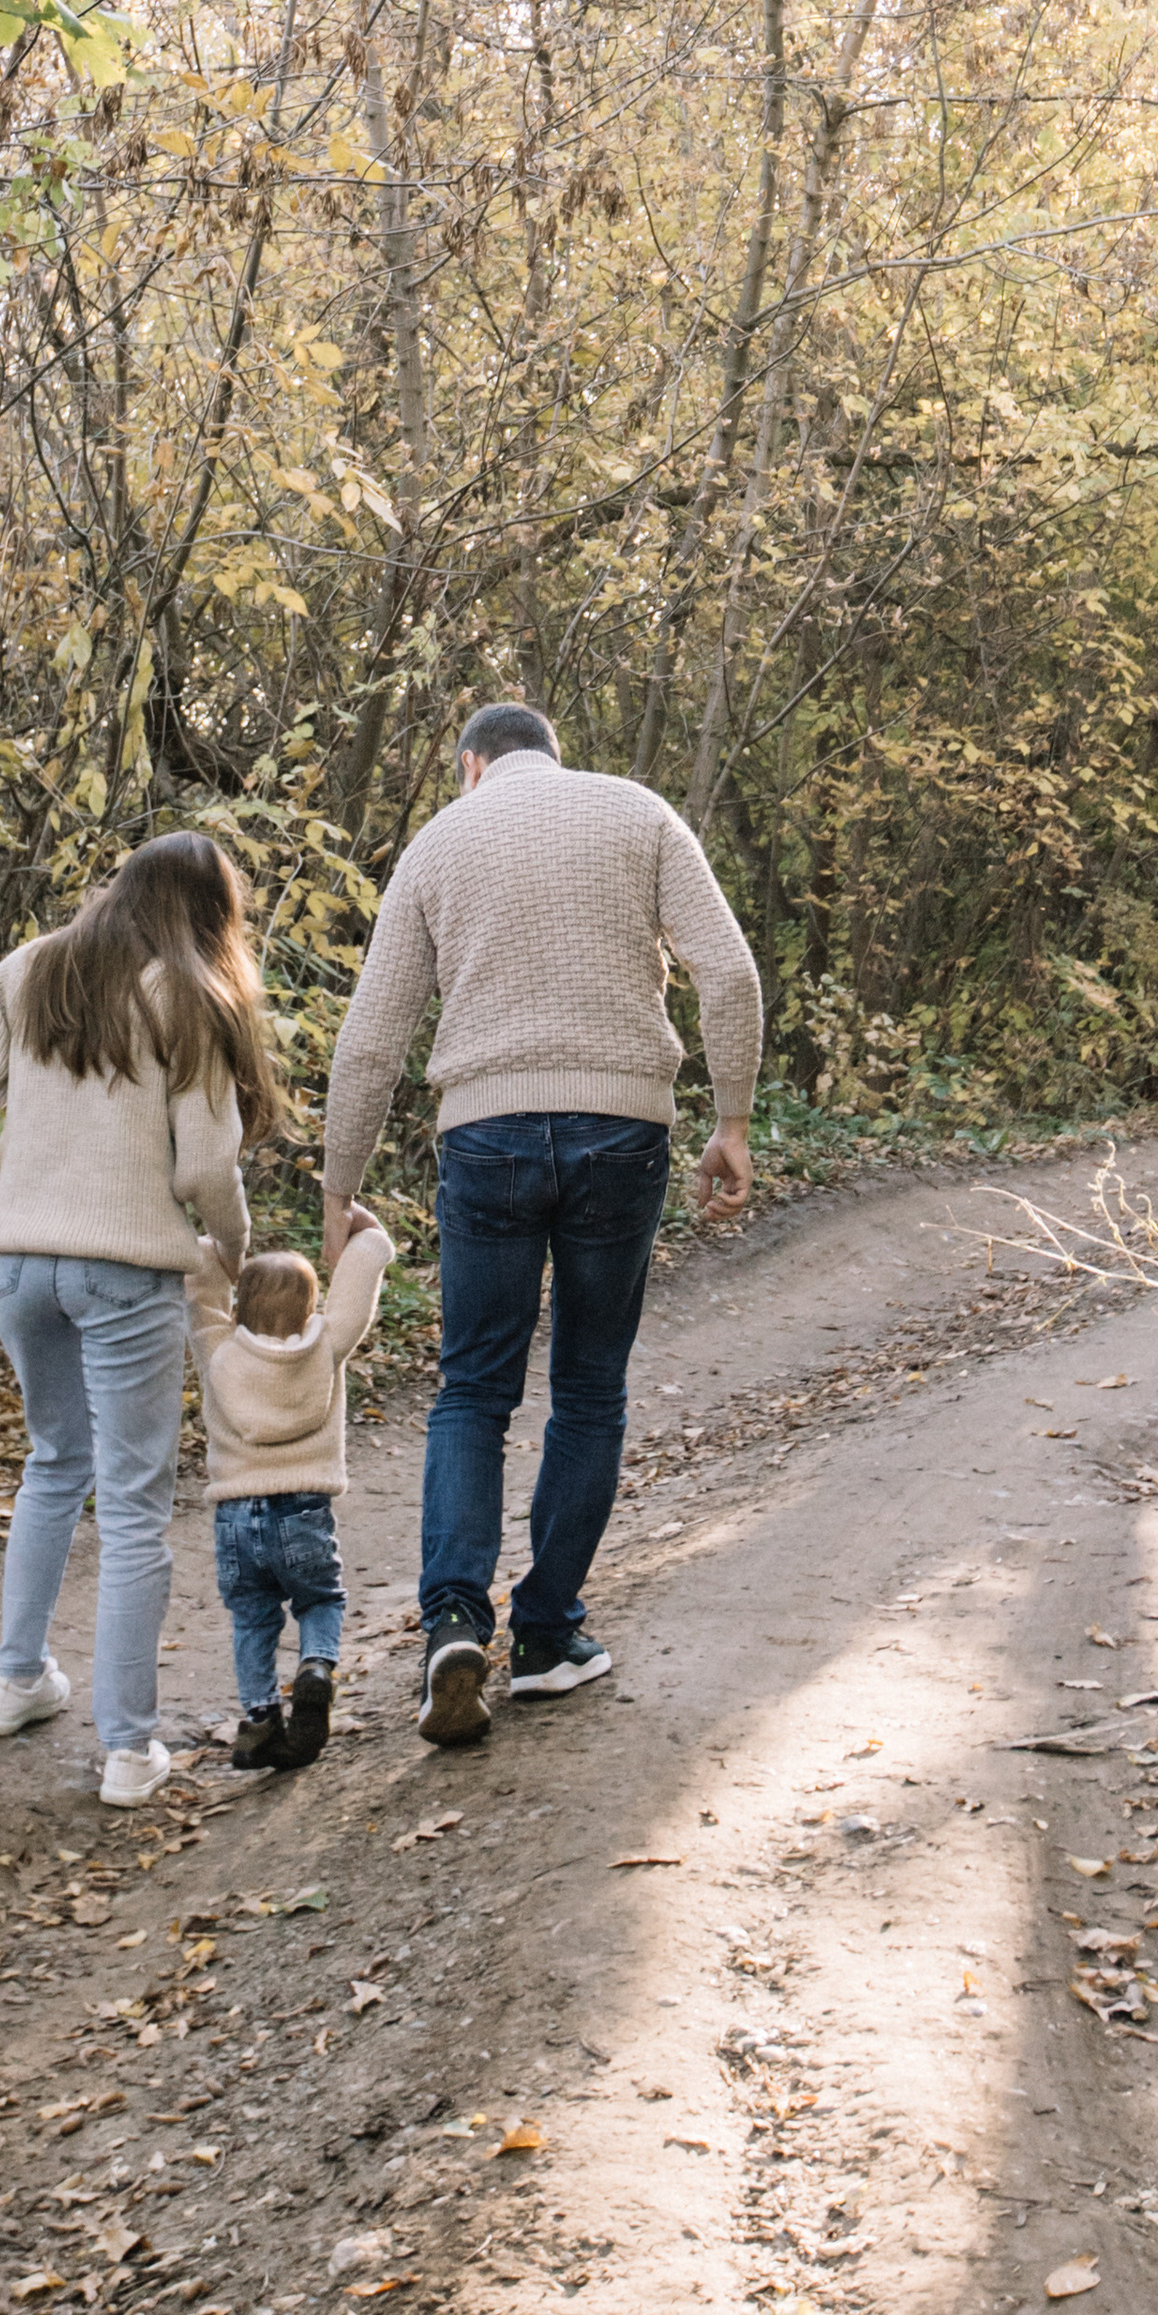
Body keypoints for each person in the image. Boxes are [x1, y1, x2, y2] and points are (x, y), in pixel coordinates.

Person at [324, 700, 761, 1749]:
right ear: (553, 758)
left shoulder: (439, 840)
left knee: (472, 1387)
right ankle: (550, 1635)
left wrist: (339, 1192)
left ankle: (454, 1622)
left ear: (473, 765)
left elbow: (372, 1039)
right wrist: (733, 1122)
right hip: (623, 1129)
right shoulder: (637, 813)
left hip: (486, 1138)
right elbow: (730, 971)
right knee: (588, 1383)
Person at [0, 830, 281, 1809]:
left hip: (17, 1266)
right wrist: (230, 1250)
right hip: (125, 1271)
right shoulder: (189, 992)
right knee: (129, 1505)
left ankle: (14, 1682)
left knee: (52, 1463)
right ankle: (128, 1751)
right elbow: (208, 1166)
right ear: (209, 915)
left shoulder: (27, 970)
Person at [187, 1226, 395, 1767]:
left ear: (238, 1310)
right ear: (310, 1310)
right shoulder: (324, 1345)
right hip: (303, 1507)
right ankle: (316, 1667)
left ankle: (259, 1722)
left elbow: (201, 1297)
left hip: (235, 1513)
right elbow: (356, 1293)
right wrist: (367, 1235)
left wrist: (216, 1249)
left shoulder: (219, 1350)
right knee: (320, 1599)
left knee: (252, 1618)